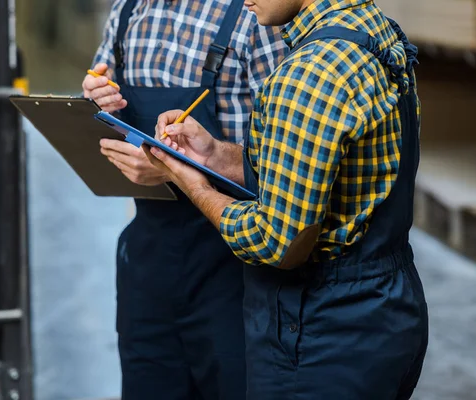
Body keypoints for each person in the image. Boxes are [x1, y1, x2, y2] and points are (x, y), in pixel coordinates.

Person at [146, 0, 429, 398]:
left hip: (322, 330)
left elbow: (277, 242)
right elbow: (313, 169)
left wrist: (194, 185)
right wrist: (212, 155)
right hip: (389, 310)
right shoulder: (373, 30)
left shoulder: (309, 72)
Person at [82, 0, 287, 398]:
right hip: (148, 262)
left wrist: (175, 171)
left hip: (233, 265)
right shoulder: (128, 9)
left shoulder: (255, 15)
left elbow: (283, 162)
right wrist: (96, 97)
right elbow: (101, 99)